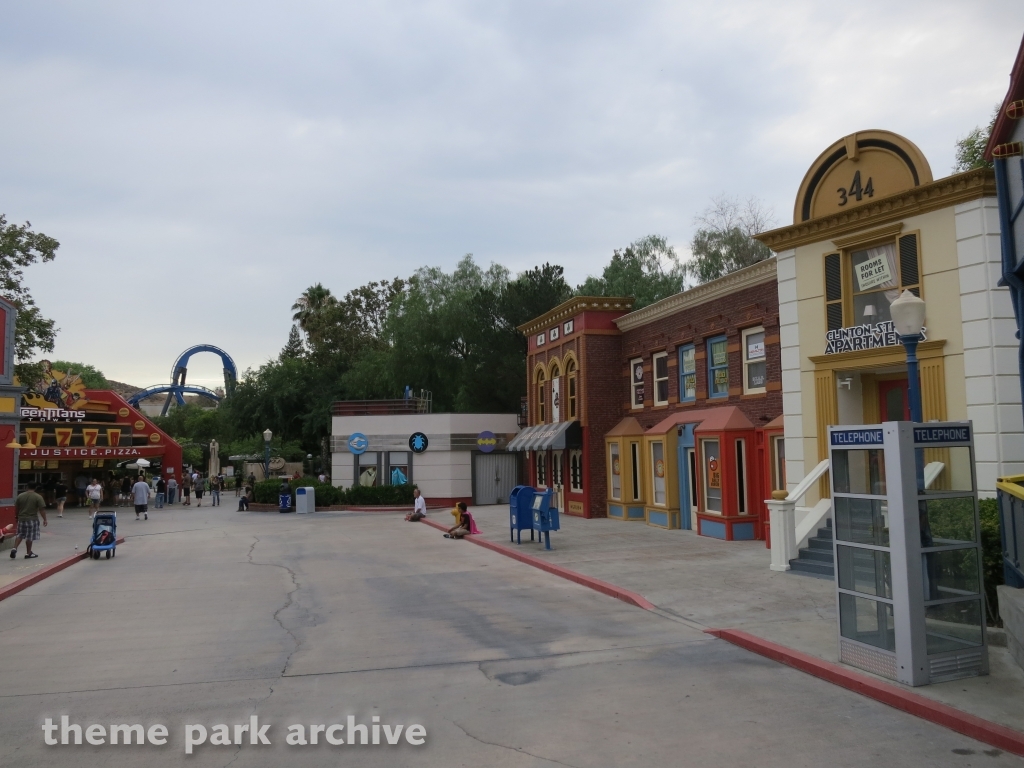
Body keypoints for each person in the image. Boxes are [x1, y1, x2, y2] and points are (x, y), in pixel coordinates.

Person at [9, 482, 47, 559]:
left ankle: (14, 548)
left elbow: (16, 508)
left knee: (20, 534)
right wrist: (45, 519)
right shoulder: (38, 497)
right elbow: (41, 509)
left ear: (27, 487)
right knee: (30, 536)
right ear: (35, 488)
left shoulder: (20, 496)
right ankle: (28, 553)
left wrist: (17, 517)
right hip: (32, 519)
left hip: (21, 519)